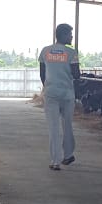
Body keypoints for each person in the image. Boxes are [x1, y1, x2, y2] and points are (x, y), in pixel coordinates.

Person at [38, 23, 80, 170]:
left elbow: (42, 74)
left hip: (51, 93)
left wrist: (48, 86)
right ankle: (68, 155)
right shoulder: (71, 53)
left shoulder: (45, 51)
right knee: (67, 124)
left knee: (53, 127)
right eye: (70, 34)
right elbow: (77, 75)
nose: (71, 37)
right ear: (63, 35)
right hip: (67, 93)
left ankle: (55, 161)